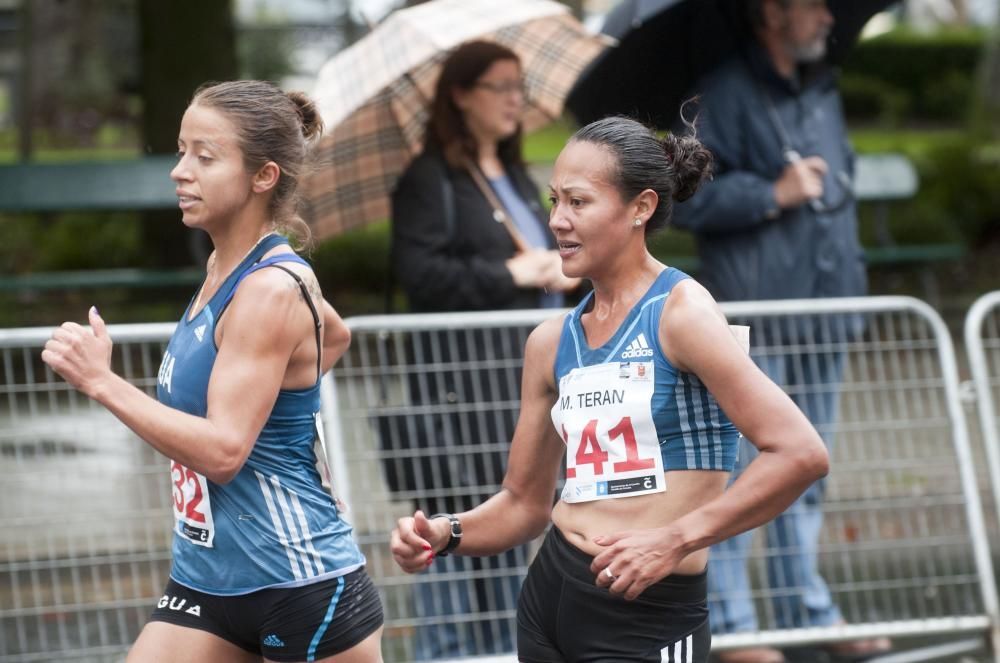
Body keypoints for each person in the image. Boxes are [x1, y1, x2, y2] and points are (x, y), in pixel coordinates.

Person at [389, 115, 830, 663]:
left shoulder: (682, 314)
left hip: (645, 612)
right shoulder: (550, 341)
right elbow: (524, 506)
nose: (556, 221)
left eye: (578, 202)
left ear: (640, 207)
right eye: (553, 201)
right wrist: (445, 532)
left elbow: (800, 453)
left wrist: (677, 539)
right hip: (550, 598)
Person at [40, 80, 383, 663]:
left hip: (296, 582)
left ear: (263, 176)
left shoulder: (269, 287)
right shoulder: (226, 263)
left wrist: (102, 381)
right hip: (208, 579)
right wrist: (294, 438)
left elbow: (224, 452)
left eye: (205, 156)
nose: (180, 171)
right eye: (180, 150)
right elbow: (333, 336)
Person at [670, 1, 888, 661]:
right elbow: (688, 197)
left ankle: (807, 616)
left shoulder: (822, 86)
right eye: (811, 4)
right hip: (757, 319)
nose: (826, 15)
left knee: (806, 473)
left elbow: (838, 183)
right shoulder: (720, 93)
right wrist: (773, 192)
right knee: (737, 478)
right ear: (770, 11)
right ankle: (734, 628)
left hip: (827, 310)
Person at [386, 40, 580, 660]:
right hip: (459, 389)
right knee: (449, 531)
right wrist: (512, 275)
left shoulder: (519, 176)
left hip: (520, 382)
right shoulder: (429, 179)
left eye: (519, 86)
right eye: (499, 86)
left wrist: (556, 270)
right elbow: (421, 275)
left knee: (511, 531)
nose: (514, 99)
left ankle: (504, 651)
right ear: (461, 95)